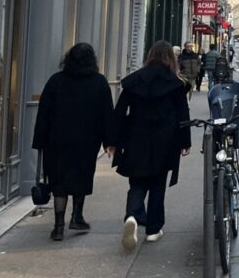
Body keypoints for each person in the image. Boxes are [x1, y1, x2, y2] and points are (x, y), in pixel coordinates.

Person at [109, 41, 191, 250]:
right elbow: (183, 114)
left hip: (137, 137)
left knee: (137, 181)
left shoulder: (134, 81)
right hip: (165, 140)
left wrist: (113, 141)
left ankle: (133, 216)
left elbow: (120, 113)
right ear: (170, 59)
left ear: (150, 56)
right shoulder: (175, 83)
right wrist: (185, 142)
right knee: (157, 184)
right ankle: (153, 229)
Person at [32, 43, 114, 241]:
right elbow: (107, 115)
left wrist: (40, 141)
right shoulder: (99, 83)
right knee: (81, 176)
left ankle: (58, 226)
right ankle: (77, 216)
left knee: (59, 181)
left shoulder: (56, 81)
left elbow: (44, 113)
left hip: (57, 140)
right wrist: (109, 141)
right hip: (86, 141)